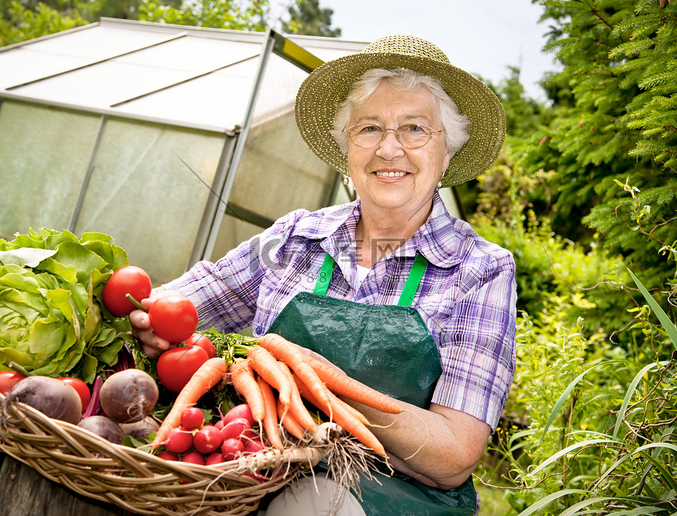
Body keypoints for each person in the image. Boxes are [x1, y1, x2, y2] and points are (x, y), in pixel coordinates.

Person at [131, 34, 516, 516]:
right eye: (369, 128)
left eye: (415, 128)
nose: (389, 149)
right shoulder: (295, 236)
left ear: (449, 153)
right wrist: (149, 320)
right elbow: (183, 302)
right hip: (252, 461)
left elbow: (453, 454)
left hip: (390, 495)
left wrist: (316, 383)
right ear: (347, 149)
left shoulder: (479, 270)